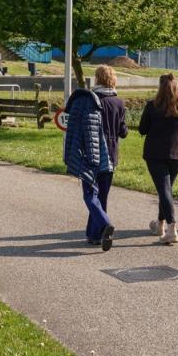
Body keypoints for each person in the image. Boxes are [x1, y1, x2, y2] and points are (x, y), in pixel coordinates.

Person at [59, 65, 126, 250]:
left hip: (92, 152)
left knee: (90, 194)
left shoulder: (92, 101)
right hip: (112, 153)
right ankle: (94, 234)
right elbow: (123, 130)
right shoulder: (119, 102)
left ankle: (102, 227)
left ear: (97, 79)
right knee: (102, 196)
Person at [138, 73, 178, 245]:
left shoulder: (152, 107)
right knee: (166, 190)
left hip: (156, 153)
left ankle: (171, 228)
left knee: (164, 190)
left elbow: (142, 129)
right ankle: (160, 225)